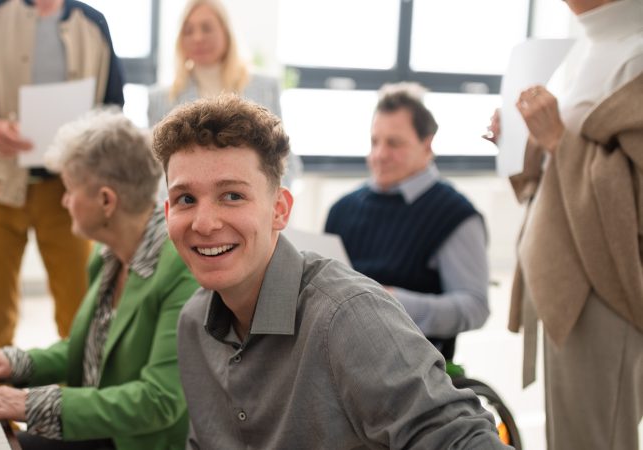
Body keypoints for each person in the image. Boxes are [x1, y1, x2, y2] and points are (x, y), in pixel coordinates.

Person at [154, 95, 509, 449]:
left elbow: (464, 440)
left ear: (279, 210)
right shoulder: (193, 323)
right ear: (168, 211)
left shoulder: (348, 317)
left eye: (232, 196)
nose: (203, 223)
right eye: (186, 199)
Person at [0, 110, 197, 450]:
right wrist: (13, 363)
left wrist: (29, 403)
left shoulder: (181, 271)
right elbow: (89, 348)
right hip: (97, 430)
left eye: (69, 190)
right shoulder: (107, 255)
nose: (63, 201)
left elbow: (158, 400)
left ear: (106, 200)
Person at [487, 0, 643, 448]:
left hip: (604, 288)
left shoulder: (635, 53)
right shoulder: (585, 49)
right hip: (567, 280)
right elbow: (558, 174)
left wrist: (557, 138)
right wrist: (525, 142)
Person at [0, 0, 125, 349]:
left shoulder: (93, 23)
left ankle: (75, 394)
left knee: (80, 307)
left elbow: (112, 107)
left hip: (69, 191)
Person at [325, 83, 489, 361]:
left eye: (394, 143)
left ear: (428, 144)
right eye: (375, 142)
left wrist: (391, 303)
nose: (379, 154)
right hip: (337, 354)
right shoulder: (342, 209)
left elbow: (474, 307)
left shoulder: (454, 215)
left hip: (409, 366)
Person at [147, 0, 301, 187]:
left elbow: (285, 160)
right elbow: (158, 172)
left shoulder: (265, 88)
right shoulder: (161, 99)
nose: (197, 37)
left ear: (226, 32)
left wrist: (269, 205)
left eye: (207, 28)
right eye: (188, 31)